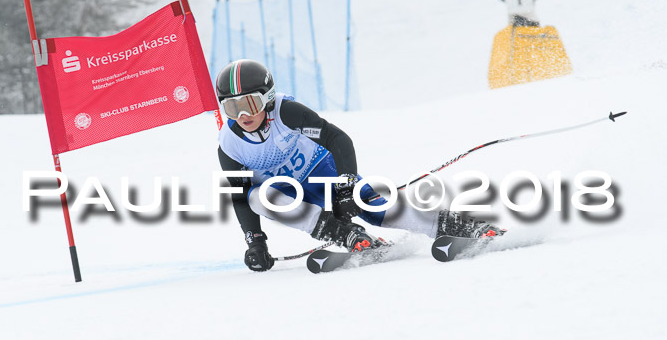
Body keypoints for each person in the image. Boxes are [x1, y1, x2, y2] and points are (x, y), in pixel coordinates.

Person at [216, 59, 503, 272]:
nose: (242, 114)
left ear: (266, 98)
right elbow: (240, 197)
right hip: (289, 195)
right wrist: (255, 242)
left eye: (250, 103)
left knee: (377, 209)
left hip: (321, 172)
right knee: (256, 196)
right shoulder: (229, 143)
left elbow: (337, 138)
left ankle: (464, 226)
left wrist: (345, 187)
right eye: (232, 107)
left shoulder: (285, 112)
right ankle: (348, 236)